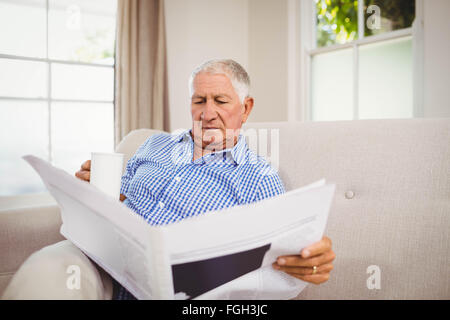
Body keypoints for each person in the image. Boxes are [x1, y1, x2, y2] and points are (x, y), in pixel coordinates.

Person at [76, 59, 335, 299]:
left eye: (220, 101)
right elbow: (120, 196)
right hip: (106, 269)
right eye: (199, 100)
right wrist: (96, 186)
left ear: (245, 109)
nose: (207, 113)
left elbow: (284, 249)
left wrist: (310, 255)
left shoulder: (258, 177)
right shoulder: (153, 144)